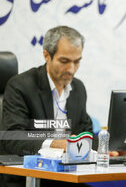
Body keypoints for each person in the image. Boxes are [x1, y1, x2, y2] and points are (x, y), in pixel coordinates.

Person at [0, 26, 94, 187]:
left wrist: (115, 147)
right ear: (47, 55)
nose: (71, 69)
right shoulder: (20, 86)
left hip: (66, 175)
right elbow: (12, 137)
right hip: (28, 176)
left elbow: (85, 131)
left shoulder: (78, 88)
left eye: (77, 61)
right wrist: (53, 143)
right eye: (64, 61)